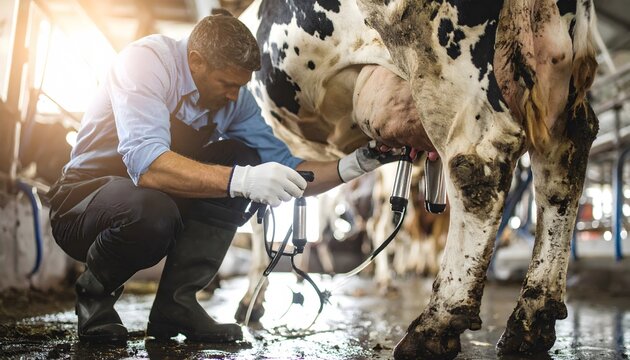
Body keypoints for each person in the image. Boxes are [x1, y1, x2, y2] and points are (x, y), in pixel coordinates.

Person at [46, 11, 396, 344]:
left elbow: (290, 169)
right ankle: (95, 298)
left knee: (242, 156)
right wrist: (243, 181)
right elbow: (148, 166)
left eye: (239, 86)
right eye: (227, 83)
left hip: (155, 202)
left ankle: (176, 306)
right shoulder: (145, 63)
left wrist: (359, 162)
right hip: (83, 206)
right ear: (196, 61)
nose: (233, 95)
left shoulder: (236, 99)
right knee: (158, 208)